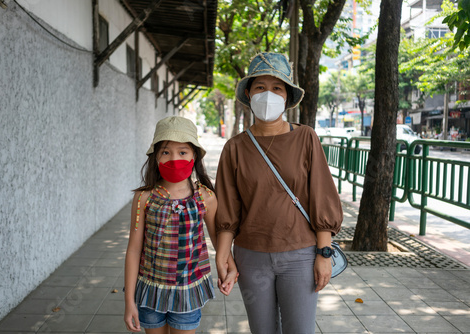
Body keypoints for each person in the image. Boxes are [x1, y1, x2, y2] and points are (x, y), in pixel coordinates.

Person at [215, 52, 343, 334]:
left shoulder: (306, 137)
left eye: (277, 88)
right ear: (248, 94)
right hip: (251, 256)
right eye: (260, 87)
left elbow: (321, 195)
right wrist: (223, 256)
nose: (268, 94)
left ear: (287, 96)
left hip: (300, 255)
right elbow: (227, 210)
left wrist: (324, 253)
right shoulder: (234, 148)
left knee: (300, 330)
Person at [124, 116, 236, 333]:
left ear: (194, 155)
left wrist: (231, 267)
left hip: (188, 292)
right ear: (156, 156)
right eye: (166, 152)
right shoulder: (144, 198)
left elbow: (217, 237)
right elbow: (134, 250)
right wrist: (129, 301)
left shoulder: (206, 197)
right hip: (150, 292)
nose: (174, 158)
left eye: (182, 152)